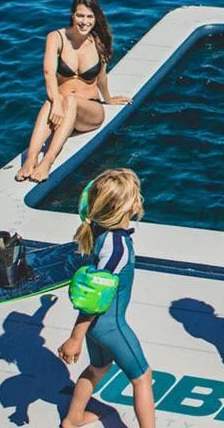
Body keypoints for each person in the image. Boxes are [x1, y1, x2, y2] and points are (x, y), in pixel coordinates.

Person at [58, 169, 154, 428]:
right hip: (110, 326)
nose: (140, 201)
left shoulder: (100, 231)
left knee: (98, 368)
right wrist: (75, 339)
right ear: (129, 208)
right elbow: (93, 297)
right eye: (137, 197)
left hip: (96, 327)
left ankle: (72, 418)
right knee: (142, 377)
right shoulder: (118, 248)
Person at [15, 0, 131, 183]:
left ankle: (47, 161)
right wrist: (56, 104)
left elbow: (101, 76)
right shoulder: (56, 38)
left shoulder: (98, 42)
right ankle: (31, 158)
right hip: (62, 106)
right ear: (72, 15)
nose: (84, 22)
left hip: (89, 110)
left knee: (68, 100)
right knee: (52, 101)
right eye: (80, 16)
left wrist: (109, 99)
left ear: (96, 18)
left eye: (89, 17)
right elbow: (48, 73)